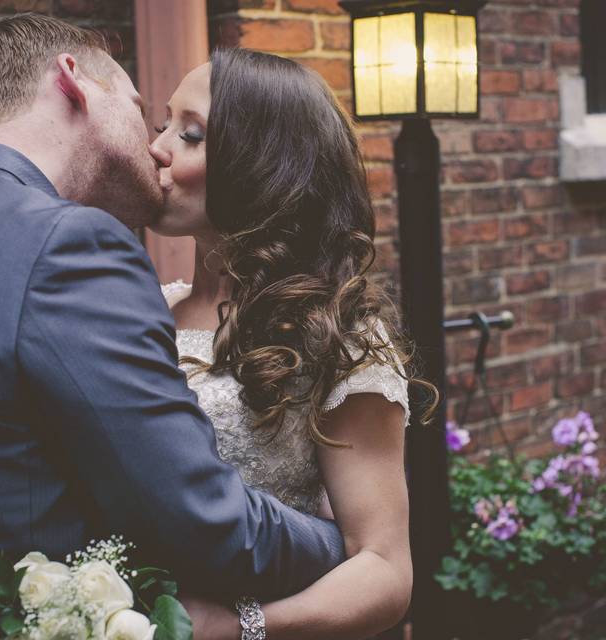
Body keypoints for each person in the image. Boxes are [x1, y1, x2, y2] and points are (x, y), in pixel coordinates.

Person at [0, 15, 345, 640]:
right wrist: (336, 544)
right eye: (141, 107)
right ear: (74, 82)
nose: (155, 144)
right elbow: (201, 520)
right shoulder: (68, 242)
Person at [149, 48, 435, 639]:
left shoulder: (336, 333)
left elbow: (383, 569)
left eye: (192, 133)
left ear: (260, 164)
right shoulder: (147, 307)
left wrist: (239, 627)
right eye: (163, 125)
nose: (158, 147)